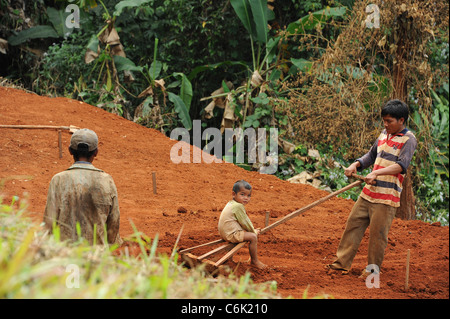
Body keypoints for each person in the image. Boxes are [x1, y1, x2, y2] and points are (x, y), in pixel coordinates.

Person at [327, 99, 417, 276]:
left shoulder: (409, 139)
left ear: (401, 120)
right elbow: (372, 155)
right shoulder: (384, 133)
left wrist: (376, 173)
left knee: (378, 236)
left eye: (389, 121)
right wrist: (356, 165)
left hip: (386, 197)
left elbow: (401, 165)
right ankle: (341, 264)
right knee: (353, 225)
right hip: (368, 193)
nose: (385, 124)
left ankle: (372, 271)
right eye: (384, 120)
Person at [43, 128, 122, 245]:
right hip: (96, 257)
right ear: (96, 152)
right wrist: (109, 246)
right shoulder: (107, 181)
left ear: (70, 150)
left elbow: (49, 223)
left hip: (65, 255)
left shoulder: (58, 180)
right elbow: (114, 222)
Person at [218, 180, 266, 269]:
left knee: (244, 233)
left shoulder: (231, 203)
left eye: (248, 195)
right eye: (242, 194)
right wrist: (254, 231)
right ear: (233, 194)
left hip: (224, 233)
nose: (246, 198)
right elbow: (245, 222)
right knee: (253, 237)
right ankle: (254, 261)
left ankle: (229, 259)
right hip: (230, 234)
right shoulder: (238, 206)